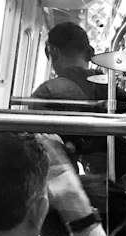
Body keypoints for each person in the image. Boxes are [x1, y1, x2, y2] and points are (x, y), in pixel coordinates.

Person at [30, 22, 109, 171]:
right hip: (105, 177)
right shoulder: (108, 88)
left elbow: (34, 149)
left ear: (54, 52)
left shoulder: (49, 92)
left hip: (66, 179)